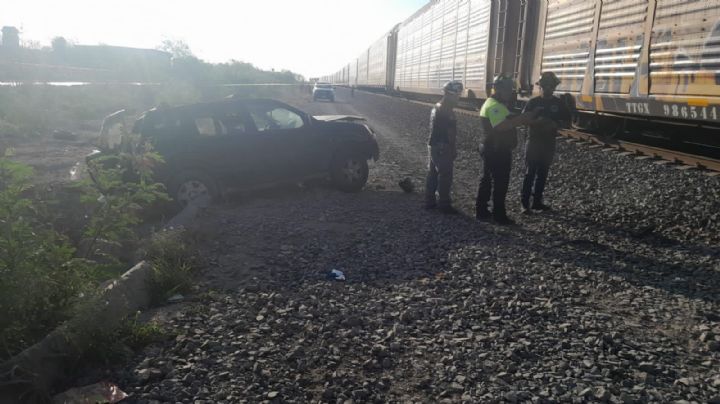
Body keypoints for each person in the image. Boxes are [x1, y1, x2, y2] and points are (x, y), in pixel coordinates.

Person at [476, 74, 540, 225]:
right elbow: (501, 126)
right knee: (500, 182)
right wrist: (522, 119)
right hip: (496, 150)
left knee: (487, 180)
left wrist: (526, 116)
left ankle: (482, 210)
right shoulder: (494, 105)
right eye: (506, 89)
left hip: (492, 147)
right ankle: (499, 215)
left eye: (510, 89)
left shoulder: (495, 103)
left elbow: (509, 117)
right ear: (497, 89)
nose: (509, 92)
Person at [520, 72, 571, 213]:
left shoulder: (559, 103)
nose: (548, 89)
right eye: (545, 86)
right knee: (530, 172)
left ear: (554, 88)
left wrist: (555, 124)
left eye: (551, 86)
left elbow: (567, 122)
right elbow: (523, 120)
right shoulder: (533, 102)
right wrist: (537, 122)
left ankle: (537, 202)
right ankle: (524, 203)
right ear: (540, 87)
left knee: (543, 173)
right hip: (534, 142)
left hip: (548, 142)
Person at [425, 80, 464, 214]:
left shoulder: (436, 106)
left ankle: (429, 201)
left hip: (433, 144)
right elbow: (450, 132)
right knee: (445, 175)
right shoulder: (447, 110)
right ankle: (444, 204)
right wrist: (453, 148)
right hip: (443, 145)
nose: (458, 98)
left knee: (433, 173)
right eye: (457, 95)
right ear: (450, 94)